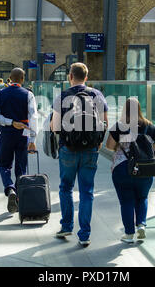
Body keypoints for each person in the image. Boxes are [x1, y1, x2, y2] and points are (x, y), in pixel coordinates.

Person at [51, 62, 108, 247]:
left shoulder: (63, 96)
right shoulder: (97, 95)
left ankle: (66, 226)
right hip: (91, 150)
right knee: (87, 192)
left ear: (70, 76)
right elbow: (105, 122)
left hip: (68, 148)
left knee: (66, 188)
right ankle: (84, 235)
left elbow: (56, 127)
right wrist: (98, 142)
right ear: (86, 77)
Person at [105, 97, 155, 243]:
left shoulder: (119, 126)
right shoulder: (150, 126)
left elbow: (109, 146)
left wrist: (121, 145)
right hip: (146, 169)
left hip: (122, 168)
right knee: (142, 198)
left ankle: (129, 234)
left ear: (125, 109)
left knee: (126, 201)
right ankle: (141, 224)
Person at [0, 68, 37, 213]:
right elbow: (34, 117)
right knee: (21, 167)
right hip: (23, 135)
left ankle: (10, 188)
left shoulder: (0, 93)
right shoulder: (28, 94)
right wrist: (33, 139)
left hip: (6, 133)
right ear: (23, 79)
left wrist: (10, 122)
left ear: (10, 78)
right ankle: (18, 198)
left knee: (4, 164)